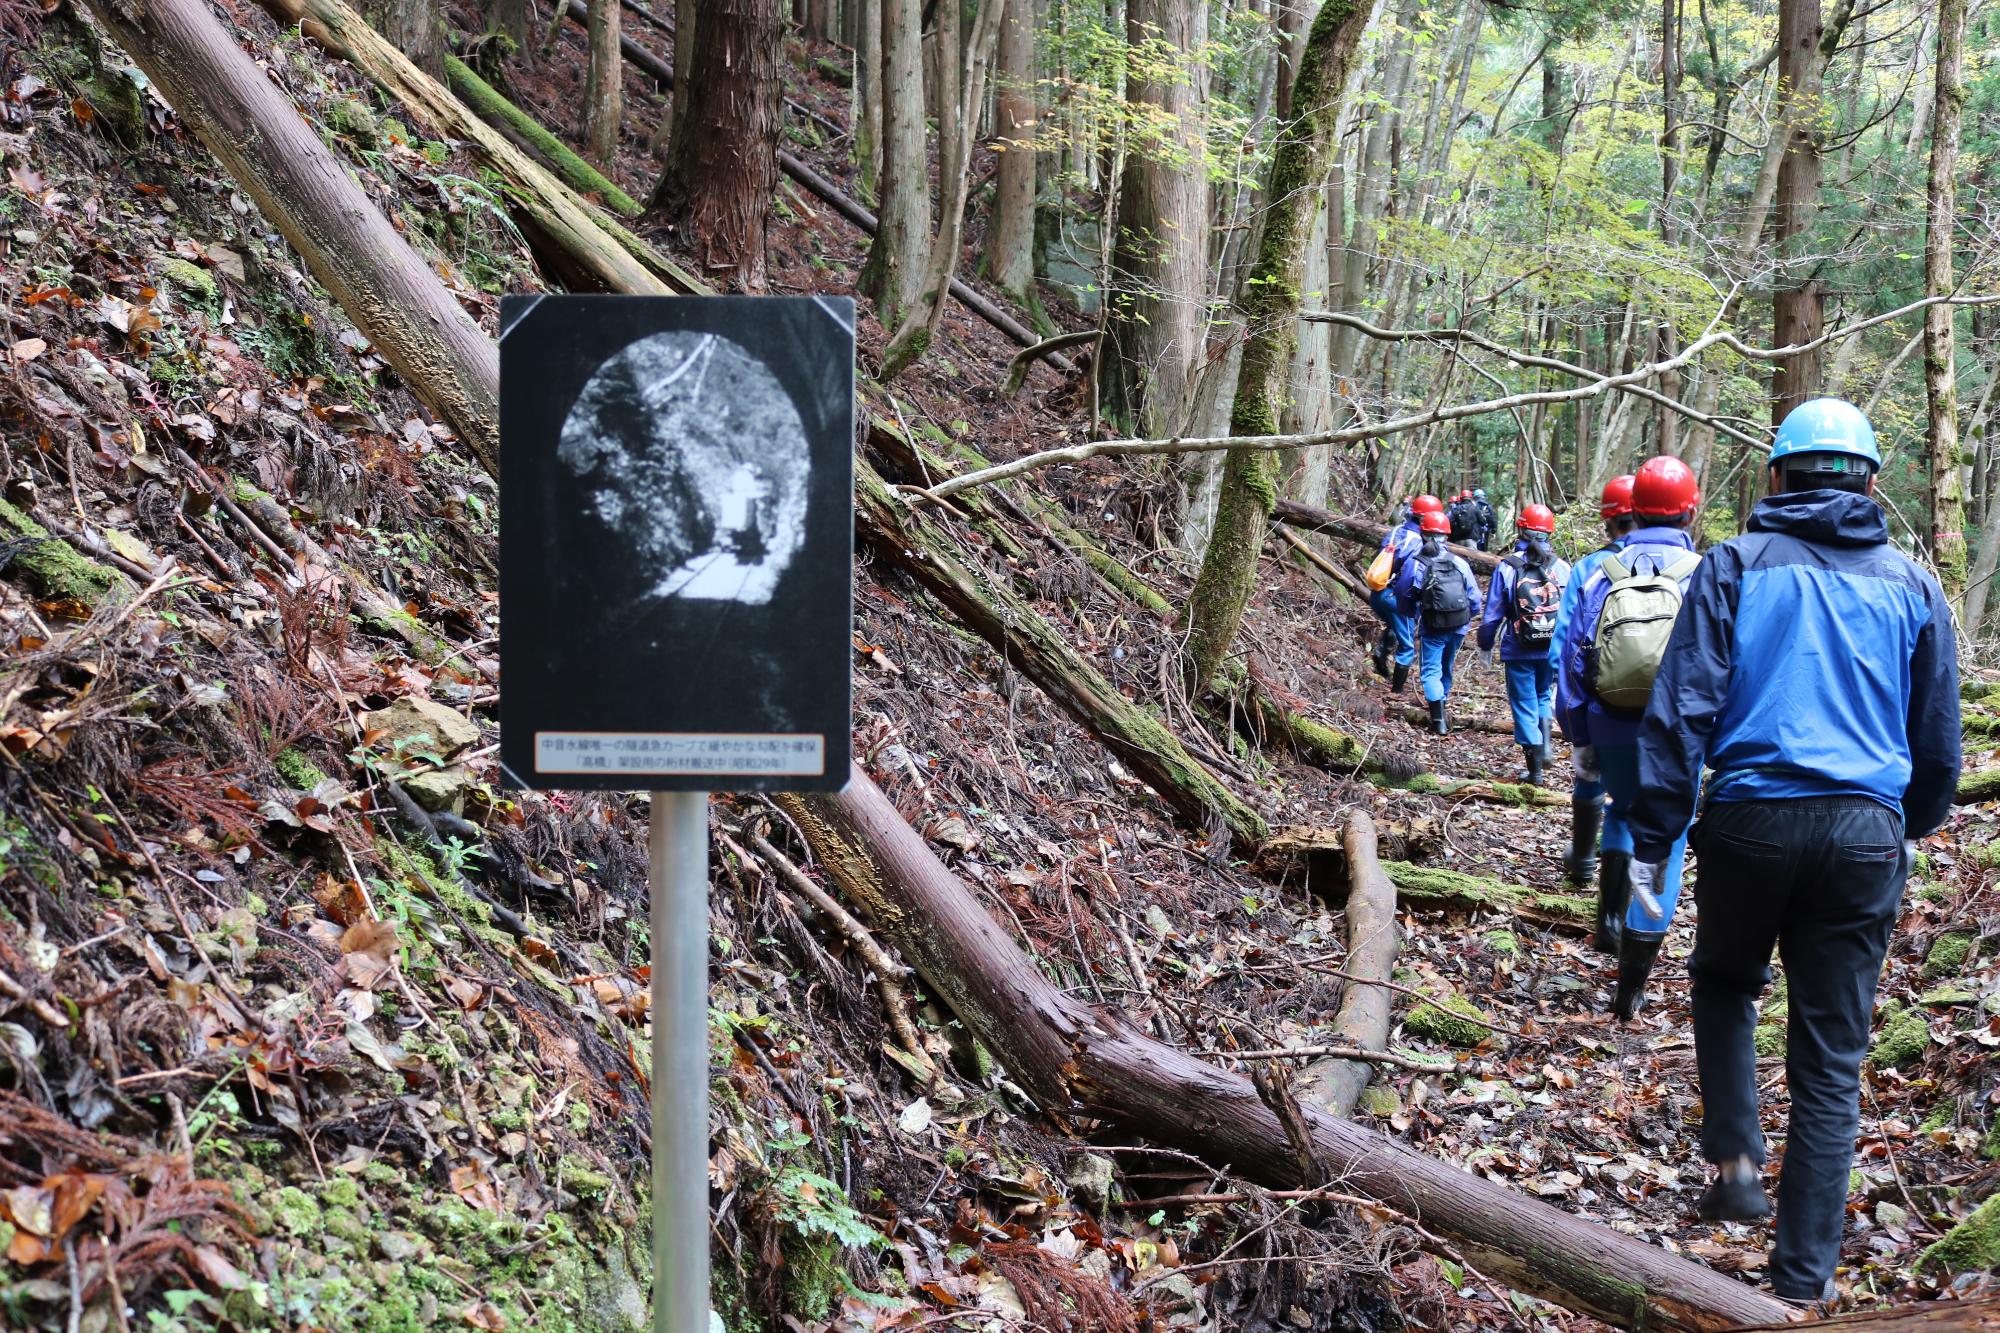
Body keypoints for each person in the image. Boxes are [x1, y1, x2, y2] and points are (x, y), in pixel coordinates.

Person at [1625, 399, 1960, 1306]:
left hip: (1750, 822)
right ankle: (1801, 1284)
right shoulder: (1914, 585)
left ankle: (1735, 1156)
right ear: (1872, 482)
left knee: (1726, 980)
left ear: (1777, 478)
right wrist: (1902, 826)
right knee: (1831, 1061)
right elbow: (1937, 745)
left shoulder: (1734, 565)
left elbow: (1682, 709)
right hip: (1863, 831)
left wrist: (1654, 836)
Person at [1556, 455, 1701, 1017]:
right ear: (1690, 510)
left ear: (1631, 509)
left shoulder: (1600, 572)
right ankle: (1632, 984)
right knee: (1665, 836)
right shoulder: (1707, 573)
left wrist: (1577, 729)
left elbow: (1570, 655)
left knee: (1619, 809)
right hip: (1676, 735)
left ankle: (1608, 921)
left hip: (1609, 722)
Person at [1551, 474, 1638, 923]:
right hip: (1662, 720)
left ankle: (1583, 859)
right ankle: (1615, 919)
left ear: (1608, 520)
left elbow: (1564, 647)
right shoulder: (1688, 565)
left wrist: (1571, 722)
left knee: (1590, 778)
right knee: (1626, 811)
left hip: (1603, 706)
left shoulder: (1589, 569)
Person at [1479, 504, 1570, 784]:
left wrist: (1485, 646)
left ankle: (1535, 771)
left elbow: (1493, 612)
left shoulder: (1509, 566)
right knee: (1543, 695)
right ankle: (1544, 751)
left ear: (1521, 528)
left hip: (1519, 646)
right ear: (1549, 532)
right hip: (1552, 647)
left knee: (1524, 703)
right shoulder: (1563, 568)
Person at [1395, 508, 1480, 734]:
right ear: (1446, 535)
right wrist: (1466, 619)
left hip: (1432, 626)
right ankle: (1443, 702)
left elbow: (1404, 595)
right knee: (1447, 665)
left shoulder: (1416, 563)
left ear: (1423, 534)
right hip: (1459, 626)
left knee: (1431, 671)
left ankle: (1439, 720)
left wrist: (1412, 616)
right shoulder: (1459, 562)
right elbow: (1475, 598)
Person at [1370, 495, 1437, 693]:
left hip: (1378, 592)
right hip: (1395, 598)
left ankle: (1381, 653)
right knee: (1408, 645)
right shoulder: (1418, 542)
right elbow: (1412, 573)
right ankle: (1397, 690)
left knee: (1395, 624)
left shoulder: (1397, 531)